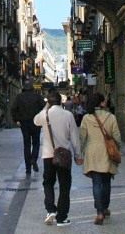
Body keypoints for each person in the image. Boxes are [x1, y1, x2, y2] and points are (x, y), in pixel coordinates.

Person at [34, 89, 82, 226]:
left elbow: (35, 121)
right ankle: (62, 217)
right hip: (64, 155)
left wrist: (46, 107)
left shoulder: (45, 114)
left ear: (48, 101)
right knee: (64, 186)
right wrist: (78, 155)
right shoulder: (68, 115)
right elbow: (75, 137)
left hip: (49, 156)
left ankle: (50, 209)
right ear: (61, 101)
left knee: (48, 183)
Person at [79, 93, 122, 225]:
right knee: (107, 182)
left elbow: (82, 137)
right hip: (107, 152)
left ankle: (99, 213)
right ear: (102, 103)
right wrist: (116, 148)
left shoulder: (86, 118)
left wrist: (81, 152)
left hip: (92, 152)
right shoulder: (111, 117)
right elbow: (117, 137)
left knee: (96, 183)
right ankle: (104, 207)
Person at [10, 82, 45, 175]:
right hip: (36, 123)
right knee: (36, 143)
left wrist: (16, 119)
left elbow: (13, 109)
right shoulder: (38, 96)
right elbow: (44, 107)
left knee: (27, 145)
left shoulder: (19, 97)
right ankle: (34, 159)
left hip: (24, 123)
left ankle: (28, 168)